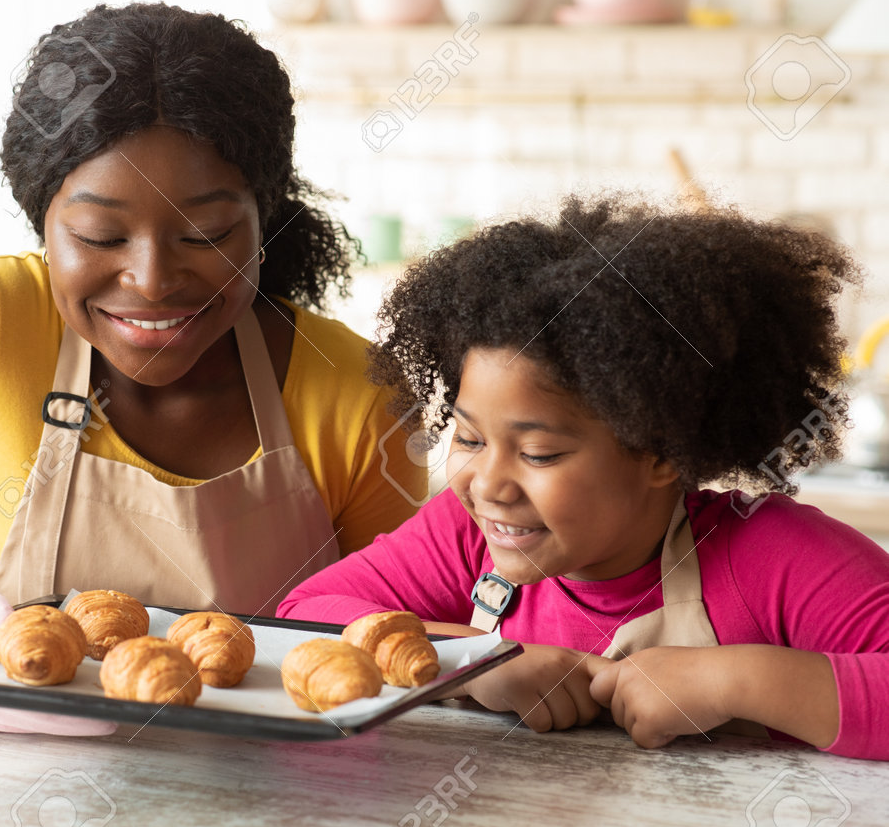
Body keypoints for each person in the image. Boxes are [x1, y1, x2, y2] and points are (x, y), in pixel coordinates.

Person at [0, 2, 424, 673]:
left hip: (281, 790)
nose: (152, 280)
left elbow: (406, 629)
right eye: (100, 236)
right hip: (1, 781)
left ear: (262, 220)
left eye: (206, 235)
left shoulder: (355, 389)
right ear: (43, 224)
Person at [278, 195, 889, 761]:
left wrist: (739, 680)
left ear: (660, 452)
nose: (489, 483)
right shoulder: (467, 539)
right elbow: (303, 615)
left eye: (539, 453)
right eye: (469, 438)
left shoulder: (768, 555)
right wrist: (471, 660)